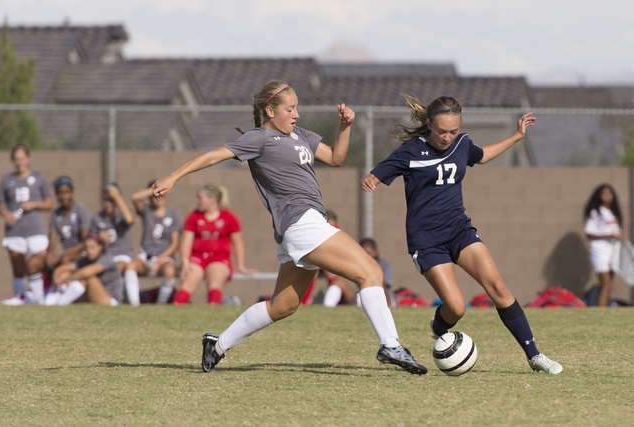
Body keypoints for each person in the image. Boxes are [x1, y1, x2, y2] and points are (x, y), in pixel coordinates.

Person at [153, 80, 427, 375]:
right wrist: (173, 177)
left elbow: (335, 158)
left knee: (282, 306)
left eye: (297, 108)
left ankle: (216, 346)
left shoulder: (301, 135)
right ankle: (390, 344)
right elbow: (212, 156)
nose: (296, 114)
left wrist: (345, 126)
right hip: (302, 223)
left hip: (300, 228)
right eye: (289, 109)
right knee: (371, 272)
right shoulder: (259, 138)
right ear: (270, 110)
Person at [361, 94, 562, 374]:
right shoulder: (410, 152)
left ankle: (535, 356)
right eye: (442, 131)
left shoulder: (462, 144)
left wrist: (517, 136)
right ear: (429, 124)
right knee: (456, 308)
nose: (447, 137)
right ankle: (439, 325)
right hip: (426, 240)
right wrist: (372, 178)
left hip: (459, 230)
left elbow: (482, 155)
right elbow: (379, 172)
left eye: (453, 131)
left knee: (498, 288)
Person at [173, 184, 254, 305]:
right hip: (197, 257)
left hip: (219, 258)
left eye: (200, 198)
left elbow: (238, 243)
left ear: (212, 199)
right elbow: (186, 241)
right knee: (188, 283)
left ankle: (213, 309)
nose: (197, 201)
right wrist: (185, 261)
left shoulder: (229, 217)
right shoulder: (193, 216)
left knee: (214, 282)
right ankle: (176, 308)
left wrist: (241, 266)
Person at [0, 145, 53, 305]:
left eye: (22, 158)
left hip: (35, 230)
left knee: (39, 263)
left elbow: (49, 203)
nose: (20, 162)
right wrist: (5, 212)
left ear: (28, 159)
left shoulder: (39, 178)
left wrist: (34, 204)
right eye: (16, 159)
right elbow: (0, 205)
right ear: (13, 161)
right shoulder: (7, 180)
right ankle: (22, 299)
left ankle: (42, 298)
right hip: (15, 231)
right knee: (19, 269)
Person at [123, 181, 182, 306]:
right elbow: (134, 197)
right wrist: (154, 189)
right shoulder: (147, 211)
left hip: (164, 258)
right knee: (130, 266)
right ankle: (134, 305)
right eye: (155, 194)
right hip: (145, 256)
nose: (158, 197)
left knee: (170, 271)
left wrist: (158, 260)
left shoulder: (174, 215)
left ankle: (160, 305)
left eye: (161, 193)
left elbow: (174, 245)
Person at [46, 233, 123, 306]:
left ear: (100, 247)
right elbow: (62, 268)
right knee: (65, 273)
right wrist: (56, 278)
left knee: (88, 278)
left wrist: (66, 279)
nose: (89, 251)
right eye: (87, 247)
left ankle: (60, 303)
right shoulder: (86, 259)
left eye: (93, 247)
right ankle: (49, 302)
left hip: (111, 300)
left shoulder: (106, 258)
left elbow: (85, 273)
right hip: (93, 297)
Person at [583, 184, 623, 306]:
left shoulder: (613, 213)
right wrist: (609, 235)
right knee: (606, 284)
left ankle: (602, 306)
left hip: (613, 252)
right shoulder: (596, 212)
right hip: (600, 252)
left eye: (609, 193)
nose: (607, 196)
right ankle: (601, 311)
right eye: (604, 193)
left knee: (607, 284)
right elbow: (589, 233)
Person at [46, 176, 92, 268]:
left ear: (72, 191)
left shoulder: (81, 210)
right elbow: (52, 240)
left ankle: (65, 282)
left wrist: (61, 255)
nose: (64, 196)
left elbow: (85, 242)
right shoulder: (55, 215)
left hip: (81, 253)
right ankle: (46, 282)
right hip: (63, 252)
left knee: (65, 260)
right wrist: (49, 255)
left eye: (67, 192)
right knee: (35, 262)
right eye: (60, 193)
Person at [90, 183, 134, 275]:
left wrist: (117, 197)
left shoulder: (123, 213)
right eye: (106, 200)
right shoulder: (97, 217)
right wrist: (98, 236)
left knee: (115, 269)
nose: (108, 203)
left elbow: (130, 220)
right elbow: (89, 241)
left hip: (122, 255)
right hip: (105, 256)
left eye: (111, 200)